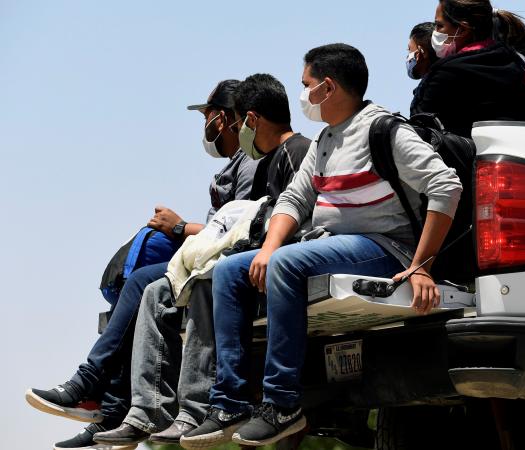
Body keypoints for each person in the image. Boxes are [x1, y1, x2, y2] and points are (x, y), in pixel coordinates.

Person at [181, 43, 462, 449]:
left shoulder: (383, 128)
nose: (303, 95)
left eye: (306, 84)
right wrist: (267, 248)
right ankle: (230, 402)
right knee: (227, 270)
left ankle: (281, 404)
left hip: (383, 247)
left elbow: (446, 186)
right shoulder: (325, 140)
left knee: (288, 264)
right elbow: (293, 200)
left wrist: (422, 265)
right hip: (332, 245)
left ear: (327, 88)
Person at [25, 79, 267, 450]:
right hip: (211, 256)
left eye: (207, 116)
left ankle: (89, 385)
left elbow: (245, 227)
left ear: (224, 119)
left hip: (227, 262)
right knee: (136, 285)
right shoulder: (235, 165)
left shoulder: (250, 164)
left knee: (143, 285)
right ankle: (112, 409)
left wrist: (181, 227)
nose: (205, 127)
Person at [91, 74, 310, 447]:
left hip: (261, 252)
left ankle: (208, 406)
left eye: (217, 118)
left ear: (244, 120)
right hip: (247, 249)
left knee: (203, 275)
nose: (236, 131)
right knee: (154, 290)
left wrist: (180, 230)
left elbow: (281, 218)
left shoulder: (291, 153)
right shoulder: (267, 160)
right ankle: (138, 409)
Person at [411, 0, 525, 137]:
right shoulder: (514, 64)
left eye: (439, 26)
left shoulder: (447, 72)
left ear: (463, 29)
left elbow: (418, 129)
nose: (435, 33)